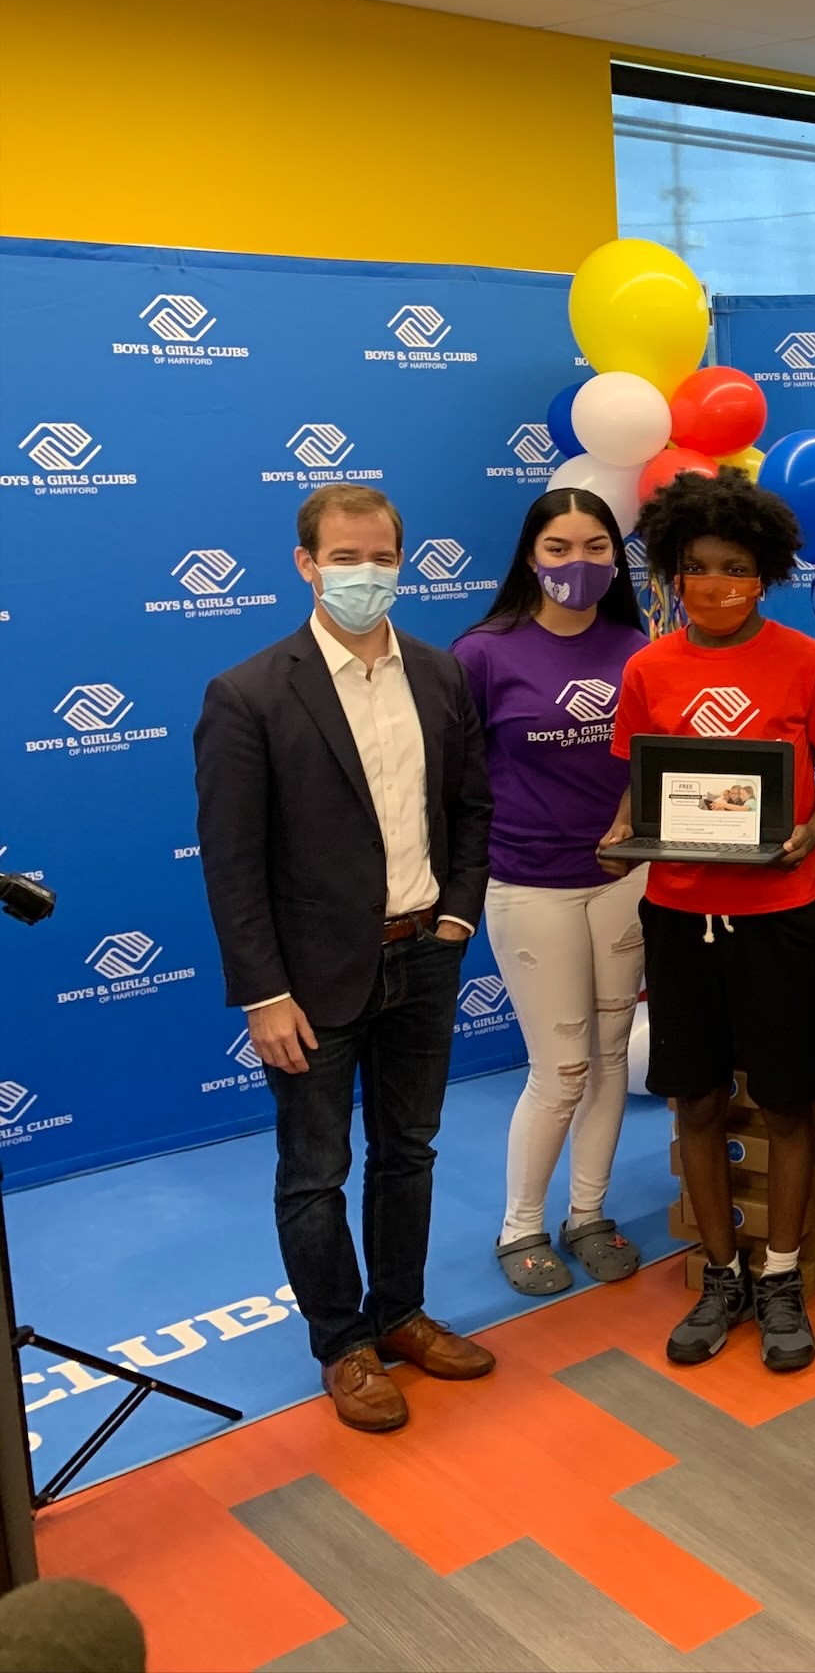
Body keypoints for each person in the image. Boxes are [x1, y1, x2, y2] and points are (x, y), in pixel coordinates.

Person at [194, 484, 495, 1433]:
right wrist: (263, 995)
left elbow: (470, 813)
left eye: (381, 558)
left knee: (408, 1151)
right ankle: (344, 1343)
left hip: (426, 958)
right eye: (346, 557)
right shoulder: (247, 694)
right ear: (306, 564)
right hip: (310, 982)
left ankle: (400, 1315)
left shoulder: (442, 676)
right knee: (314, 1171)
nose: (366, 575)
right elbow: (233, 862)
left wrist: (456, 921)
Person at [598, 470, 815, 1374]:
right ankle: (720, 1274)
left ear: (767, 572)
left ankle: (781, 1277)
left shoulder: (806, 662)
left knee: (788, 1103)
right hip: (676, 916)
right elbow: (642, 793)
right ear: (672, 571)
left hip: (777, 917)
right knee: (697, 1101)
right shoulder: (646, 668)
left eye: (736, 567)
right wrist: (622, 831)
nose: (715, 583)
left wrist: (807, 835)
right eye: (697, 567)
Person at [452, 487, 652, 1298]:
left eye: (597, 548)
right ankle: (521, 1225)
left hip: (620, 881)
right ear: (531, 555)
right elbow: (454, 782)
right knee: (561, 1067)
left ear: (617, 557)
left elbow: (650, 762)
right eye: (561, 547)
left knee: (608, 1059)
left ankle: (588, 1215)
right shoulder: (483, 653)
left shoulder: (637, 645)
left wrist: (630, 824)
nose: (579, 564)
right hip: (528, 884)